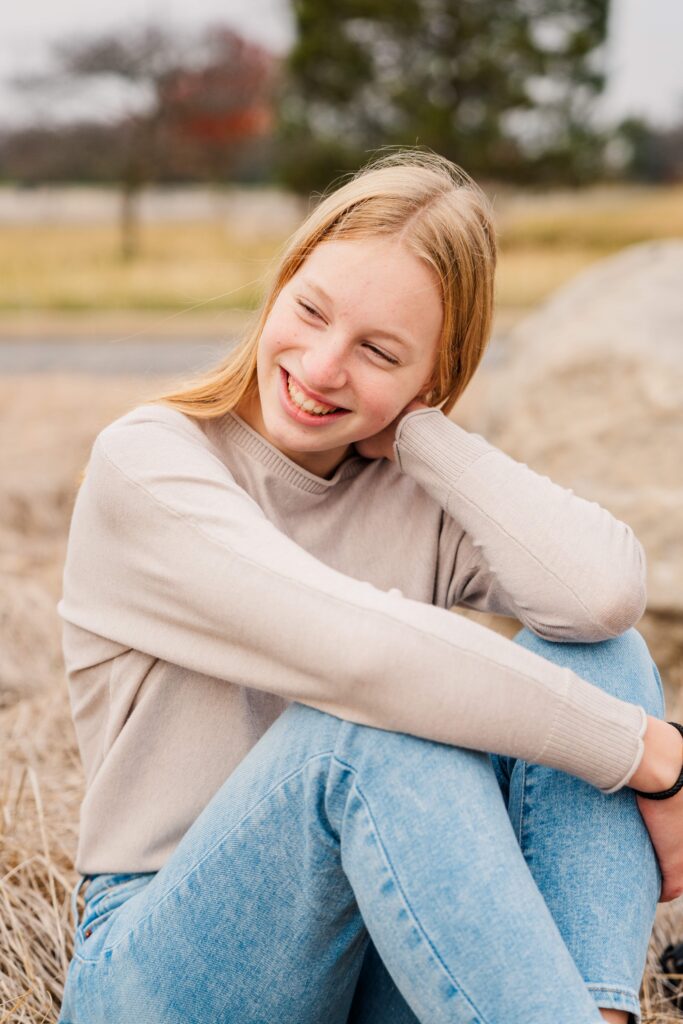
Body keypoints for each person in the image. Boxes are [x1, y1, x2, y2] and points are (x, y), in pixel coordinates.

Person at [57, 149, 683, 1024]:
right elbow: (360, 658)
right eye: (309, 309)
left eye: (377, 352)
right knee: (362, 738)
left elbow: (601, 594)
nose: (319, 367)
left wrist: (427, 438)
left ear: (429, 375)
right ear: (281, 283)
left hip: (374, 953)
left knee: (599, 657)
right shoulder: (153, 463)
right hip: (172, 958)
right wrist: (651, 756)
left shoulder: (409, 486)